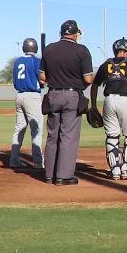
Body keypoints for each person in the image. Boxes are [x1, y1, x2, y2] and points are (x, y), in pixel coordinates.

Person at [39, 19, 94, 185]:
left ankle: (50, 174)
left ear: (61, 32)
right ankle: (64, 176)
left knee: (52, 136)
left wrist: (56, 79)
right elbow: (88, 78)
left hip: (53, 94)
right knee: (68, 136)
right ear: (76, 34)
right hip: (72, 95)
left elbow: (42, 77)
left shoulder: (49, 49)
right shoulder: (82, 50)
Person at [90, 37, 127, 180]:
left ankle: (115, 170)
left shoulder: (105, 64)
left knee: (112, 136)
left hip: (108, 101)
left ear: (115, 50)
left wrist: (94, 105)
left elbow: (95, 85)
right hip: (125, 100)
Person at [9, 38, 44, 169]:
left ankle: (14, 159)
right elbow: (42, 80)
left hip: (19, 95)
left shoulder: (17, 61)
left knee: (19, 128)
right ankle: (38, 162)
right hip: (32, 96)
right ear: (35, 48)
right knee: (36, 129)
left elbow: (14, 81)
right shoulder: (36, 61)